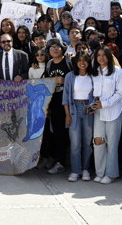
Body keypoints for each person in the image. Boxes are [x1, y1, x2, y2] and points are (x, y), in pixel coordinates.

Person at [91, 45, 122, 184]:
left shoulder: (118, 72)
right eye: (98, 55)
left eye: (104, 55)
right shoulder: (94, 72)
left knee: (112, 144)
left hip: (114, 111)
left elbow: (120, 93)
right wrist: (92, 104)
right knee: (98, 142)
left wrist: (105, 104)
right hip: (98, 112)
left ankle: (111, 174)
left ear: (109, 56)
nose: (101, 57)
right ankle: (100, 172)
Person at [41, 38, 72, 175]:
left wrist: (65, 81)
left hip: (68, 103)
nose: (54, 49)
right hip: (54, 103)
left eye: (57, 46)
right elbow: (47, 84)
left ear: (62, 48)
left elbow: (78, 79)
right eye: (51, 47)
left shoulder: (69, 62)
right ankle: (57, 160)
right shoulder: (49, 64)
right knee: (56, 134)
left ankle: (62, 162)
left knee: (65, 134)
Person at [63, 52, 94, 182]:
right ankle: (75, 171)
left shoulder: (93, 76)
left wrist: (92, 106)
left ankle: (85, 169)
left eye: (85, 60)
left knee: (87, 142)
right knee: (75, 143)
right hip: (74, 109)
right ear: (75, 62)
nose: (82, 62)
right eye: (79, 60)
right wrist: (67, 115)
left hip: (88, 110)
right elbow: (65, 97)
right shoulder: (70, 76)